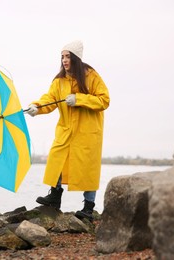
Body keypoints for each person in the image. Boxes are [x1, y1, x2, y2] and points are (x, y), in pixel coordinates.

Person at [26, 40, 110, 221]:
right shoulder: (59, 81)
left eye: (68, 56)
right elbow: (50, 99)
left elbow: (104, 100)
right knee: (56, 158)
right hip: (66, 130)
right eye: (62, 56)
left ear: (76, 58)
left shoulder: (91, 76)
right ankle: (55, 197)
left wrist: (79, 99)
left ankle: (88, 207)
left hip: (87, 132)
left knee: (88, 169)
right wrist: (36, 107)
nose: (64, 60)